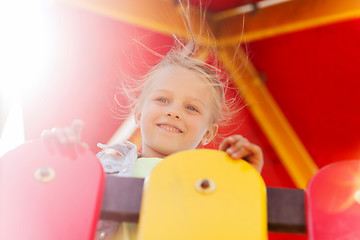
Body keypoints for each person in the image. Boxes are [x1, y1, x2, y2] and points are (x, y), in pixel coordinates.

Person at [42, 45, 264, 239]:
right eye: (162, 100)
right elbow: (62, 219)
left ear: (208, 132)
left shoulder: (210, 183)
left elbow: (232, 231)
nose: (174, 112)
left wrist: (242, 182)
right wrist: (66, 166)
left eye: (191, 108)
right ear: (138, 113)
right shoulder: (105, 168)